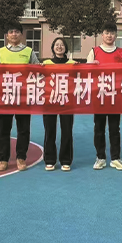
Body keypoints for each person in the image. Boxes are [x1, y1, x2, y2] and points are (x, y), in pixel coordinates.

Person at [0, 22, 40, 172]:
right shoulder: (0, 52)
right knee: (4, 129)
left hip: (23, 97)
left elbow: (37, 70)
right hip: (5, 96)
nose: (14, 34)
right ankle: (3, 159)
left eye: (17, 32)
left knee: (23, 129)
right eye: (11, 32)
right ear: (7, 35)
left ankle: (21, 157)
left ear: (21, 34)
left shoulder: (29, 51)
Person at [86, 22, 122, 171]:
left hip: (115, 96)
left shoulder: (121, 52)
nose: (109, 36)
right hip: (99, 95)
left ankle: (115, 158)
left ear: (116, 35)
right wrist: (91, 65)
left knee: (115, 129)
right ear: (102, 35)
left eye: (112, 33)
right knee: (99, 128)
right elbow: (86, 72)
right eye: (107, 33)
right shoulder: (94, 51)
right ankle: (100, 157)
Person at [41, 38, 77, 171]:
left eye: (62, 45)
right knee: (50, 131)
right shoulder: (46, 64)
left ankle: (66, 160)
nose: (59, 47)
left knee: (67, 131)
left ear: (65, 48)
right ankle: (50, 159)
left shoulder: (73, 64)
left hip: (67, 101)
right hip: (50, 101)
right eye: (57, 45)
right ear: (53, 48)